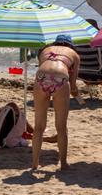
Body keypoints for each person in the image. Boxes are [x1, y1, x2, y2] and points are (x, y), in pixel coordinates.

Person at [32, 35, 80, 171]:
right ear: (70, 45)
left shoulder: (45, 50)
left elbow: (43, 65)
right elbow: (73, 84)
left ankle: (35, 164)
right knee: (61, 126)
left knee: (39, 126)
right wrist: (76, 94)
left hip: (41, 78)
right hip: (61, 79)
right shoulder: (74, 54)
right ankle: (63, 163)